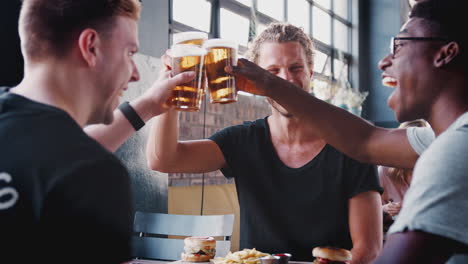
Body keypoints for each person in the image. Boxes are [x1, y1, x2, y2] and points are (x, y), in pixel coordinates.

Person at [226, 1, 468, 263]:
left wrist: (272, 82)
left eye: (399, 46)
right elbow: (365, 140)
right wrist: (271, 84)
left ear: (446, 53)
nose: (384, 62)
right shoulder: (442, 140)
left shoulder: (457, 150)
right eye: (274, 69)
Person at [146, 23, 383, 263]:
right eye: (273, 71)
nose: (286, 79)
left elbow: (368, 248)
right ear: (255, 79)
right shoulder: (243, 141)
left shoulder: (350, 145)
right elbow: (163, 159)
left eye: (295, 68)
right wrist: (169, 94)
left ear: (311, 72)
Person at [0, 0, 194, 263]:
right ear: (90, 46)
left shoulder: (43, 151)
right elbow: (69, 163)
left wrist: (148, 105)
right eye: (129, 53)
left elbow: (52, 157)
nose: (136, 74)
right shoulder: (96, 173)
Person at [379, 120, 429, 234]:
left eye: (418, 146)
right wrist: (385, 210)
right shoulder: (384, 171)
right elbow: (368, 213)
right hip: (391, 234)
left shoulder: (434, 171)